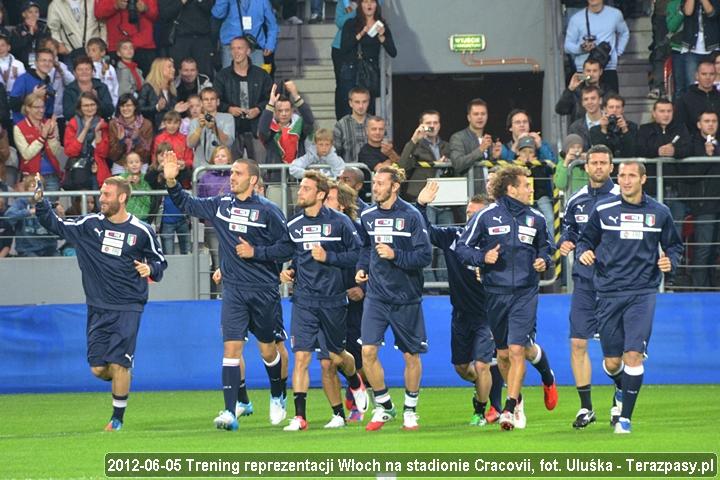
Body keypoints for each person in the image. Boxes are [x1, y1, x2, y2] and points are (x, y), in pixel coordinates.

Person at [163, 154, 295, 430]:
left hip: (263, 290)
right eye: (231, 172)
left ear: (253, 180)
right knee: (231, 348)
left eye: (238, 173)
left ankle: (277, 394)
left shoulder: (269, 211)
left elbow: (287, 248)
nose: (232, 177)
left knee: (268, 351)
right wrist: (172, 181)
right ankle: (229, 411)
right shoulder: (221, 204)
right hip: (234, 290)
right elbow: (188, 204)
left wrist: (255, 252)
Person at [35, 174, 167, 430]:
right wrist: (41, 203)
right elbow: (55, 224)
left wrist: (150, 268)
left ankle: (117, 419)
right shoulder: (89, 225)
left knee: (118, 363)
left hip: (129, 306)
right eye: (101, 194)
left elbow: (160, 262)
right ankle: (123, 372)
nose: (101, 198)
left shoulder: (142, 231)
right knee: (98, 369)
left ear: (122, 197)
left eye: (107, 194)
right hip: (97, 307)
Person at [576, 160, 684, 433]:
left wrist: (670, 261)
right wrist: (584, 252)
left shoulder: (660, 212)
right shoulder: (603, 210)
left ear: (643, 179)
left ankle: (624, 419)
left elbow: (674, 246)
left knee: (633, 355)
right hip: (608, 292)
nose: (625, 180)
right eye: (622, 175)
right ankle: (621, 386)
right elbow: (585, 240)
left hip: (642, 292)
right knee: (613, 362)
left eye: (631, 175)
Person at [456, 165, 557, 431]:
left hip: (525, 292)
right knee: (502, 355)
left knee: (516, 350)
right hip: (495, 293)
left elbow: (547, 248)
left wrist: (543, 260)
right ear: (511, 189)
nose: (530, 189)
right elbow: (462, 248)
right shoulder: (486, 216)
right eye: (526, 185)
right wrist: (482, 257)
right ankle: (519, 398)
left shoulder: (536, 218)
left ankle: (509, 409)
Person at [280, 171, 368, 431]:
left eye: (306, 188)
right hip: (304, 301)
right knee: (302, 357)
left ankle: (355, 381)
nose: (300, 192)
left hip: (333, 300)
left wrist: (328, 257)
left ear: (320, 194)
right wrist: (289, 271)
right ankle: (300, 417)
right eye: (300, 188)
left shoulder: (340, 222)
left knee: (336, 357)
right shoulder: (294, 223)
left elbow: (357, 254)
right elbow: (294, 254)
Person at [355, 165, 432, 431]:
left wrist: (395, 255)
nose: (375, 187)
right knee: (367, 351)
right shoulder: (367, 215)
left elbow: (425, 256)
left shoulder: (412, 216)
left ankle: (410, 410)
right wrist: (361, 267)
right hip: (376, 296)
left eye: (380, 183)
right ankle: (384, 405)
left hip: (406, 297)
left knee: (411, 355)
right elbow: (366, 246)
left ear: (395, 186)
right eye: (374, 183)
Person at [416, 181, 494, 426]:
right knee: (461, 367)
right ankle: (485, 387)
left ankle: (480, 411)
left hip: (487, 315)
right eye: (469, 213)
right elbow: (426, 231)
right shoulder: (454, 237)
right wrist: (421, 205)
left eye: (476, 214)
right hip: (460, 314)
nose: (471, 218)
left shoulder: (494, 244)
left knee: (482, 365)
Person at [558, 144, 619, 429]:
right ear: (586, 167)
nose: (598, 167)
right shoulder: (576, 199)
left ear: (611, 167)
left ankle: (620, 399)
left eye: (603, 163)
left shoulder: (622, 197)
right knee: (578, 342)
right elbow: (567, 229)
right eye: (593, 163)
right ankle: (586, 408)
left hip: (614, 284)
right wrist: (565, 242)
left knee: (614, 355)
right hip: (584, 281)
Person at [321, 180, 367, 422]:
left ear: (343, 205)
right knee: (330, 358)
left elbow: (374, 261)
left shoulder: (359, 230)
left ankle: (359, 399)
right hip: (327, 300)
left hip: (355, 303)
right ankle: (342, 407)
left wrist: (364, 287)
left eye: (329, 199)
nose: (324, 203)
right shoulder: (319, 228)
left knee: (357, 356)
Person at [214, 36, 273, 160]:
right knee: (233, 168)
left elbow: (271, 99)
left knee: (259, 167)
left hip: (256, 130)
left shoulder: (261, 75)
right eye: (233, 49)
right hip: (232, 131)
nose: (236, 52)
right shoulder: (222, 76)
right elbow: (215, 100)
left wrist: (258, 109)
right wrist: (229, 109)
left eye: (240, 48)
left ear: (248, 51)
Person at [337, 0, 396, 118]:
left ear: (376, 5)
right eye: (365, 2)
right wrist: (361, 33)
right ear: (360, 5)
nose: (369, 5)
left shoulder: (380, 25)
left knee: (368, 110)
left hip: (370, 72)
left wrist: (382, 37)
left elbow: (393, 52)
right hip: (352, 71)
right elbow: (344, 48)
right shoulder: (351, 23)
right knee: (349, 109)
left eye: (372, 2)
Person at [564, 0, 629, 93]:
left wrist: (618, 52)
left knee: (611, 100)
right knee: (583, 100)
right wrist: (581, 48)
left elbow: (624, 33)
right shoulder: (576, 19)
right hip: (583, 70)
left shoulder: (615, 14)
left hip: (608, 67)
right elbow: (567, 46)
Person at [688, 110, 720, 288]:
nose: (711, 124)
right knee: (703, 248)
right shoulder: (692, 144)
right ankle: (699, 288)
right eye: (707, 121)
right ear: (699, 124)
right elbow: (690, 175)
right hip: (704, 203)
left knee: (715, 249)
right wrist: (707, 156)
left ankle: (713, 287)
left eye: (714, 121)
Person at [636, 99, 692, 199]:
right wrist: (657, 151)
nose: (666, 115)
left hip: (676, 186)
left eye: (669, 111)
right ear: (654, 113)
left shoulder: (681, 129)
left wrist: (674, 151)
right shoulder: (645, 129)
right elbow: (639, 149)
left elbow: (689, 149)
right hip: (651, 186)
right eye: (662, 111)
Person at [197, 145, 232, 296]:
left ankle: (231, 293)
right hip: (212, 226)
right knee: (217, 261)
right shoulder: (205, 177)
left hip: (232, 226)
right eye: (217, 156)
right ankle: (220, 294)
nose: (220, 159)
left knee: (232, 260)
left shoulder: (235, 175)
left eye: (223, 156)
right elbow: (200, 200)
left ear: (229, 159)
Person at [258, 80, 315, 170]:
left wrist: (296, 96)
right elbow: (262, 130)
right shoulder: (270, 128)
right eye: (280, 111)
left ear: (292, 110)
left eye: (287, 110)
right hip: (275, 174)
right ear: (274, 111)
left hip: (298, 173)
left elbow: (310, 121)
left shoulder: (299, 125)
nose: (284, 114)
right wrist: (271, 103)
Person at [398, 110, 452, 204]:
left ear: (439, 125)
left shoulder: (447, 146)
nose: (432, 126)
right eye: (428, 123)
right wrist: (414, 140)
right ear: (421, 126)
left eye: (435, 123)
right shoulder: (415, 145)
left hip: (445, 195)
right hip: (421, 195)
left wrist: (447, 162)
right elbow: (402, 166)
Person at [449, 98, 501, 194]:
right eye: (476, 114)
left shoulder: (488, 139)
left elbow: (490, 167)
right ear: (469, 117)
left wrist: (494, 157)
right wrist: (480, 150)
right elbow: (457, 163)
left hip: (487, 193)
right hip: (466, 194)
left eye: (483, 114)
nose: (480, 117)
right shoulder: (458, 137)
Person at [13, 93, 62, 191]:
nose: (41, 110)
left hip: (52, 175)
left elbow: (57, 153)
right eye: (37, 107)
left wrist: (50, 135)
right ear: (28, 108)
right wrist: (42, 137)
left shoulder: (50, 124)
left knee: (52, 201)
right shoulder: (19, 128)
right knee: (35, 201)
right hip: (31, 177)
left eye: (43, 107)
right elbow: (27, 154)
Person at [94, 0, 158, 74]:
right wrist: (115, 5)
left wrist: (145, 8)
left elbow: (155, 15)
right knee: (118, 79)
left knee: (147, 79)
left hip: (143, 45)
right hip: (118, 46)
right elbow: (99, 13)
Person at [63, 91, 111, 190]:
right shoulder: (73, 123)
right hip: (78, 172)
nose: (89, 108)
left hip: (97, 170)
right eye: (86, 105)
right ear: (80, 107)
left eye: (92, 105)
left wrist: (97, 134)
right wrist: (85, 130)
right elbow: (70, 151)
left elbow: (104, 153)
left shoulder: (102, 124)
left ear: (97, 106)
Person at [211, 0, 278, 68]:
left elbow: (272, 25)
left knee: (257, 74)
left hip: (254, 45)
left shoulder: (262, 1)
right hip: (231, 45)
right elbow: (217, 14)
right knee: (229, 74)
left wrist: (270, 44)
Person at [6, 173, 58, 256]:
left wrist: (61, 216)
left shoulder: (49, 204)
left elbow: (60, 234)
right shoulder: (20, 202)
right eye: (33, 186)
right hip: (27, 249)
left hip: (49, 249)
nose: (37, 189)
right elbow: (9, 216)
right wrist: (29, 212)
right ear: (26, 189)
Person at [161, 0, 214, 80]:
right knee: (178, 74)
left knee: (204, 74)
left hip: (201, 38)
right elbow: (165, 14)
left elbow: (213, 10)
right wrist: (181, 2)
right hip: (179, 39)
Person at [676, 0, 720, 93]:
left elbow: (711, 13)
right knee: (691, 83)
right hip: (692, 49)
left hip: (712, 48)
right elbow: (688, 12)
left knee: (714, 81)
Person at [187, 87, 235, 170]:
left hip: (222, 167)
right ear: (201, 103)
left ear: (218, 102)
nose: (209, 102)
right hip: (201, 167)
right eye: (206, 99)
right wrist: (200, 127)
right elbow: (190, 144)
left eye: (212, 99)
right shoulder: (195, 121)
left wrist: (214, 128)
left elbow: (228, 142)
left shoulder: (228, 118)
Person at [47, 0, 106, 66]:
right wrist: (59, 44)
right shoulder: (55, 4)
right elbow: (53, 29)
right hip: (71, 54)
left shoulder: (94, 1)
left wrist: (103, 45)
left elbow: (103, 24)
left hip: (95, 54)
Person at [555, 58, 612, 126]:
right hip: (580, 130)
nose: (591, 74)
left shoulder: (607, 91)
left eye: (595, 71)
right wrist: (570, 89)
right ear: (584, 72)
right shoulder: (576, 91)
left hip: (602, 129)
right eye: (588, 71)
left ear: (600, 72)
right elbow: (560, 110)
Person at [138, 58, 189, 132]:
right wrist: (156, 108)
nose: (173, 70)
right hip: (153, 131)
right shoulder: (148, 88)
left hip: (170, 132)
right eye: (169, 67)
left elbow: (169, 112)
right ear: (159, 69)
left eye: (173, 67)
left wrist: (175, 110)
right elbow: (139, 109)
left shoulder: (173, 91)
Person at [109, 93, 154, 174]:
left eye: (129, 105)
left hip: (140, 163)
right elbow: (113, 156)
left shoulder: (146, 124)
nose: (125, 108)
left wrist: (137, 140)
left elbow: (146, 154)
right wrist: (121, 142)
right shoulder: (113, 124)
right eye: (122, 106)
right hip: (121, 164)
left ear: (135, 107)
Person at [9, 47, 56, 124]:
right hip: (23, 126)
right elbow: (13, 105)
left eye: (50, 61)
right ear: (36, 62)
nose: (47, 64)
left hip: (41, 127)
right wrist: (34, 95)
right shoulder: (23, 79)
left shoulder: (49, 84)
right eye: (43, 60)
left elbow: (48, 112)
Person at [674, 61, 720, 135]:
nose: (708, 77)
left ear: (715, 76)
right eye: (704, 74)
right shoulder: (685, 99)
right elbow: (680, 126)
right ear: (697, 76)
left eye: (711, 74)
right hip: (693, 140)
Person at [62, 55, 114, 120]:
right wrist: (81, 101)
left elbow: (110, 111)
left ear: (93, 72)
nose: (84, 72)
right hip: (78, 124)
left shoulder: (102, 87)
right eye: (80, 70)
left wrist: (97, 99)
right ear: (74, 73)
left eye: (87, 69)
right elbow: (67, 114)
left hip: (99, 123)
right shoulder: (69, 89)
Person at [589, 93, 638, 158]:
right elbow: (599, 151)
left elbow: (633, 150)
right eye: (611, 107)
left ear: (623, 109)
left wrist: (625, 130)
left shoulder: (632, 127)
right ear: (605, 109)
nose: (614, 110)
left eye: (618, 107)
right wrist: (603, 130)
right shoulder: (595, 130)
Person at [333, 87, 370, 164]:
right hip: (349, 169)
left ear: (368, 102)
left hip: (373, 169)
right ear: (350, 103)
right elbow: (335, 153)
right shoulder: (341, 125)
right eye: (357, 102)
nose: (361, 106)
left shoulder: (376, 124)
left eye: (364, 102)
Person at [10, 1, 51, 69]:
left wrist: (36, 32)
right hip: (23, 65)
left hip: (42, 63)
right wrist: (29, 35)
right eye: (30, 12)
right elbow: (15, 49)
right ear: (24, 14)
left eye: (36, 12)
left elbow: (46, 46)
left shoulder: (44, 28)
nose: (34, 14)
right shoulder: (17, 30)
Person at [86, 37, 118, 108]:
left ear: (103, 52)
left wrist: (115, 102)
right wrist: (102, 74)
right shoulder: (88, 68)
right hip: (97, 102)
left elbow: (115, 86)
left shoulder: (110, 68)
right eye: (88, 50)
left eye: (93, 50)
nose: (90, 53)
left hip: (112, 101)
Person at [119, 151, 152, 221]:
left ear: (141, 164)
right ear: (126, 166)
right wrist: (126, 183)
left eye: (137, 162)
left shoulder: (146, 178)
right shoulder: (121, 178)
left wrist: (138, 185)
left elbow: (148, 202)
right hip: (125, 218)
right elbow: (117, 197)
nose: (134, 164)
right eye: (131, 162)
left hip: (142, 218)